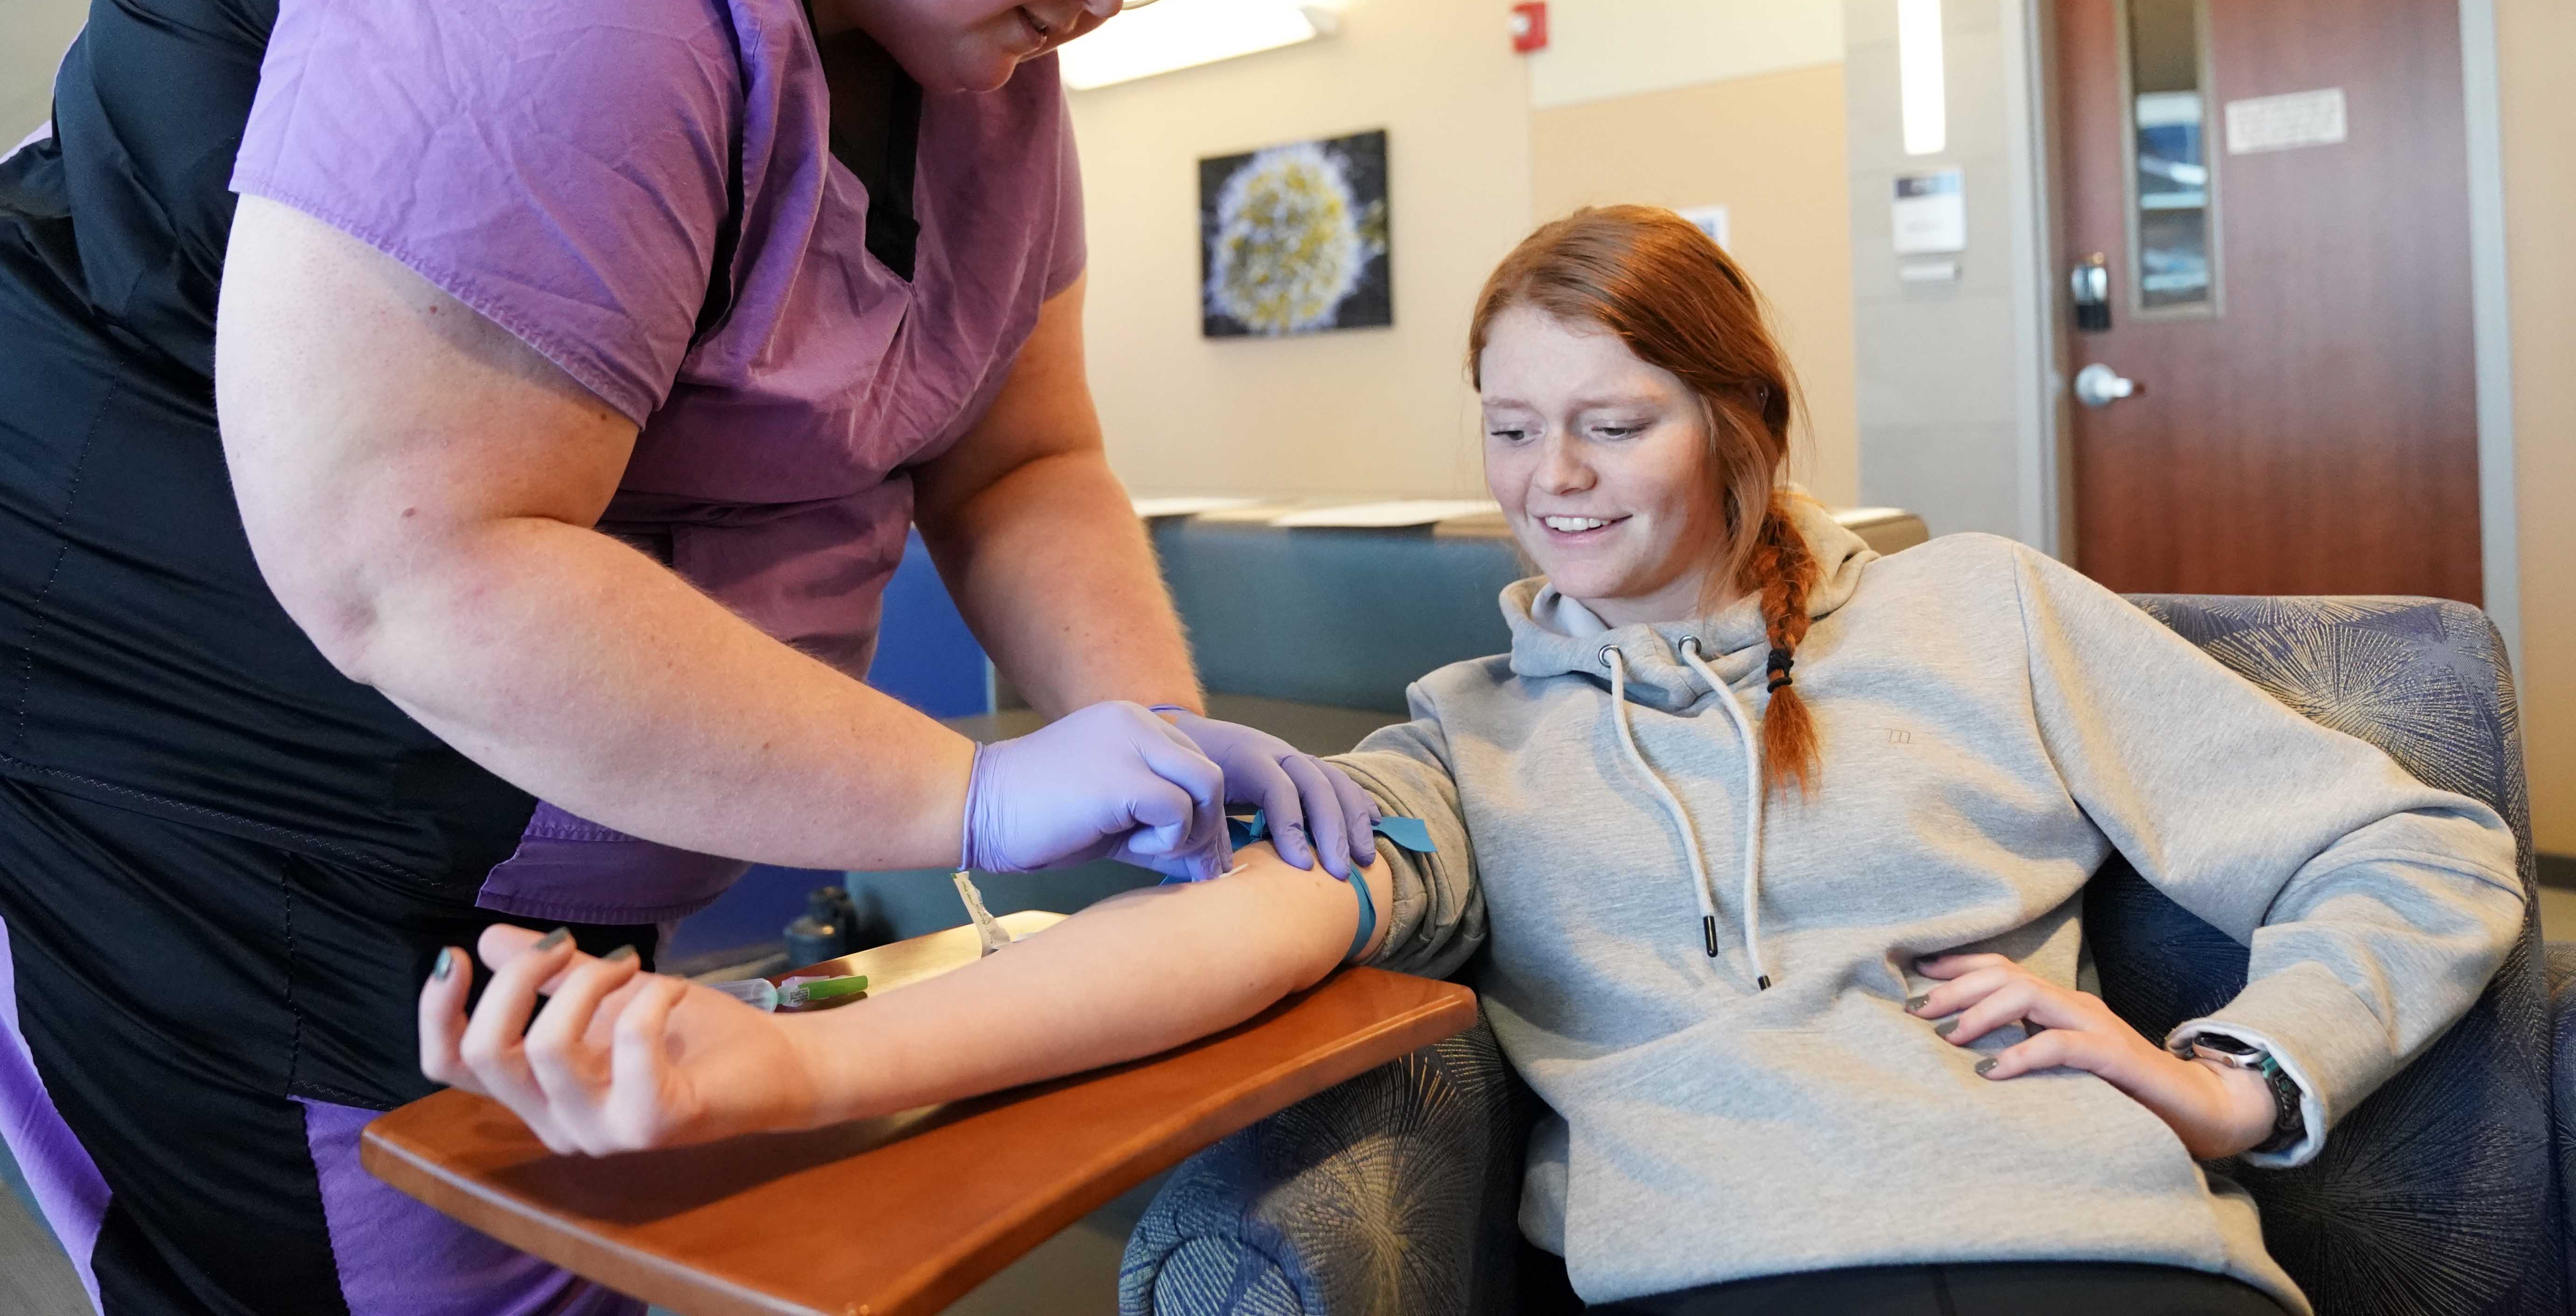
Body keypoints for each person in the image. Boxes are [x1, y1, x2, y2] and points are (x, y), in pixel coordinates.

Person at [0, 0, 1381, 1316]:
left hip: (570, 895)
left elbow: (1017, 459)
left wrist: (1155, 733)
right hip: (248, 853)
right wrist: (971, 789)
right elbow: (417, 563)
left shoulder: (981, 73)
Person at [427, 206, 2527, 1314]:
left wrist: (2234, 1078)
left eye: (1611, 420)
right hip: (1732, 1291)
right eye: (1510, 428)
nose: (1552, 480)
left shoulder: (1985, 612)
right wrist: (762, 1068)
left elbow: (2420, 848)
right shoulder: (1470, 740)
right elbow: (1233, 936)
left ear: (1743, 422)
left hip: (2119, 1269)